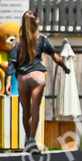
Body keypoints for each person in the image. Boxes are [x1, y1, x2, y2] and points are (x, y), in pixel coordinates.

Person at [9, 11, 69, 152]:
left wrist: (8, 81)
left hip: (23, 77)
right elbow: (56, 57)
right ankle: (32, 140)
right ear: (36, 21)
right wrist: (65, 67)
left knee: (26, 111)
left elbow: (12, 63)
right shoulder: (42, 39)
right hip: (38, 76)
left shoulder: (17, 41)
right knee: (35, 108)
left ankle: (27, 139)